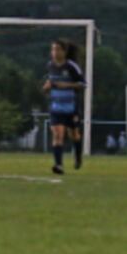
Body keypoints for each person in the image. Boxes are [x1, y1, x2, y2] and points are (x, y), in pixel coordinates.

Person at [43, 39, 85, 175]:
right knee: (57, 134)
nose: (54, 52)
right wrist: (46, 87)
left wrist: (66, 85)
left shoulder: (72, 66)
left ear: (64, 51)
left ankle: (78, 157)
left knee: (74, 135)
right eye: (52, 49)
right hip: (56, 108)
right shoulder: (50, 65)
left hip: (71, 108)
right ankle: (58, 165)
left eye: (57, 49)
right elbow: (48, 83)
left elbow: (83, 84)